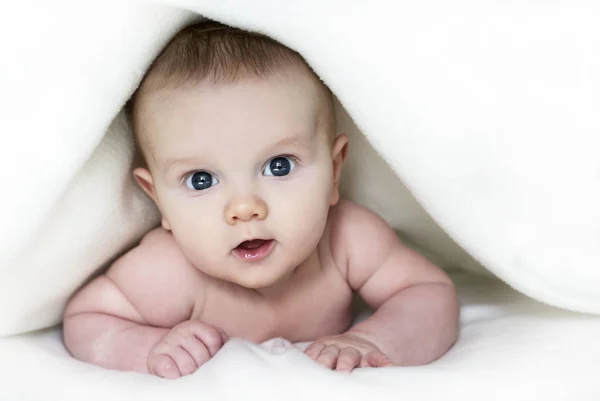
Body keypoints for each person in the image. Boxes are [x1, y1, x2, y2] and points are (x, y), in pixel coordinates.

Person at [63, 21, 459, 379]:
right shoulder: (169, 270)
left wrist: (377, 341)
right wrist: (147, 348)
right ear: (158, 200)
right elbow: (87, 318)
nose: (245, 207)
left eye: (279, 166)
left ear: (334, 171)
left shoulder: (346, 240)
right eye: (201, 180)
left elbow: (428, 292)